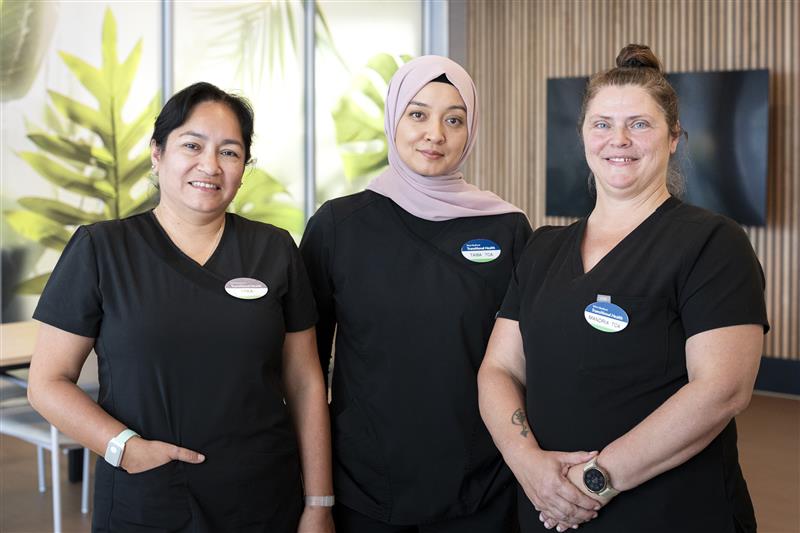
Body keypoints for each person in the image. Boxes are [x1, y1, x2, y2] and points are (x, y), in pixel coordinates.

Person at [478, 44, 769, 533]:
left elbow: (721, 390)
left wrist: (593, 482)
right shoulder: (543, 247)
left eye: (639, 124)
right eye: (602, 124)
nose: (619, 139)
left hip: (669, 513)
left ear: (673, 137)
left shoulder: (713, 243)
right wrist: (526, 463)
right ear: (583, 136)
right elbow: (499, 368)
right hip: (547, 507)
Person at [27, 82, 334, 533]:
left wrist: (319, 504)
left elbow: (305, 383)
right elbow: (46, 383)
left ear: (244, 167)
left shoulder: (274, 249)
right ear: (157, 153)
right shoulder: (102, 249)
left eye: (229, 152)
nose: (210, 165)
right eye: (192, 145)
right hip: (148, 498)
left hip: (264, 497)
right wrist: (124, 448)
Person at [300, 55, 532, 532]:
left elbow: (527, 365)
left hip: (483, 486)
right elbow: (305, 371)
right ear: (394, 119)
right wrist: (315, 498)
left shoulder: (507, 229)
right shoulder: (339, 226)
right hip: (364, 488)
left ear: (471, 130)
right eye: (418, 114)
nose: (435, 134)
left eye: (454, 119)